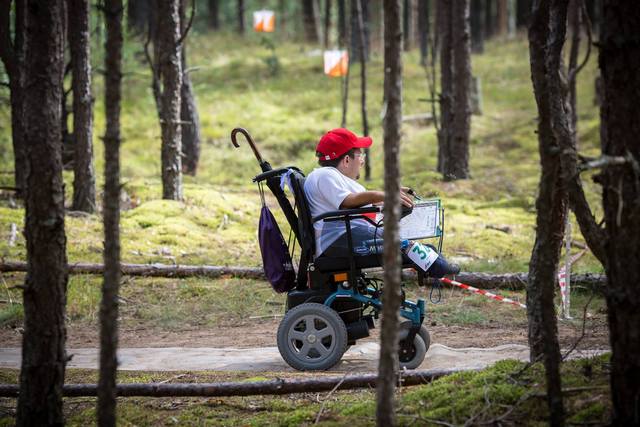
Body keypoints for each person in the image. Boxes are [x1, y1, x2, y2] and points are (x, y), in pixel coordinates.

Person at [304, 128, 460, 278]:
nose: (362, 161)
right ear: (346, 160)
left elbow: (361, 203)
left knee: (419, 248)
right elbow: (347, 202)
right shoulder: (324, 175)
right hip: (338, 241)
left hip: (349, 237)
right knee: (408, 249)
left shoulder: (336, 179)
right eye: (360, 155)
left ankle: (435, 261)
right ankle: (439, 267)